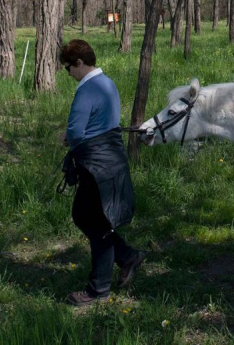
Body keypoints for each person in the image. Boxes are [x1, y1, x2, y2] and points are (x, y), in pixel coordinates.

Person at [59, 39, 146, 307]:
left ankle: (98, 290)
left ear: (80, 63)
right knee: (88, 217)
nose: (69, 74)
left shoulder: (87, 89)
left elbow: (75, 131)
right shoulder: (107, 82)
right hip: (111, 161)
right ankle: (128, 256)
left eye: (68, 68)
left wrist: (67, 138)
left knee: (96, 223)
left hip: (95, 165)